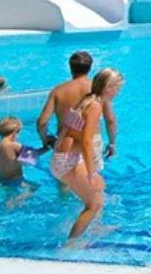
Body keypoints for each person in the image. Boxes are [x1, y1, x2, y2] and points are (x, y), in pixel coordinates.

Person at [50, 68, 124, 240]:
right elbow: (86, 141)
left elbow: (70, 131)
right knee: (94, 204)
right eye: (117, 88)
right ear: (108, 88)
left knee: (100, 189)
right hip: (69, 161)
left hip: (63, 158)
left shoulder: (87, 99)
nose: (118, 93)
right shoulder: (95, 106)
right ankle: (69, 246)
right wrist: (91, 174)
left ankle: (96, 227)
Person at [37, 51, 120, 166]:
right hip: (92, 141)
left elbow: (42, 122)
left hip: (66, 141)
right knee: (92, 175)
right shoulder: (98, 89)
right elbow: (110, 119)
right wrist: (112, 144)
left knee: (66, 176)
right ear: (90, 68)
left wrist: (45, 139)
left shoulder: (58, 91)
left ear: (70, 68)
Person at [0, 116, 48, 187]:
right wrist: (47, 148)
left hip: (1, 181)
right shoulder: (14, 145)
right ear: (15, 132)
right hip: (16, 181)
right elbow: (33, 153)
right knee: (36, 187)